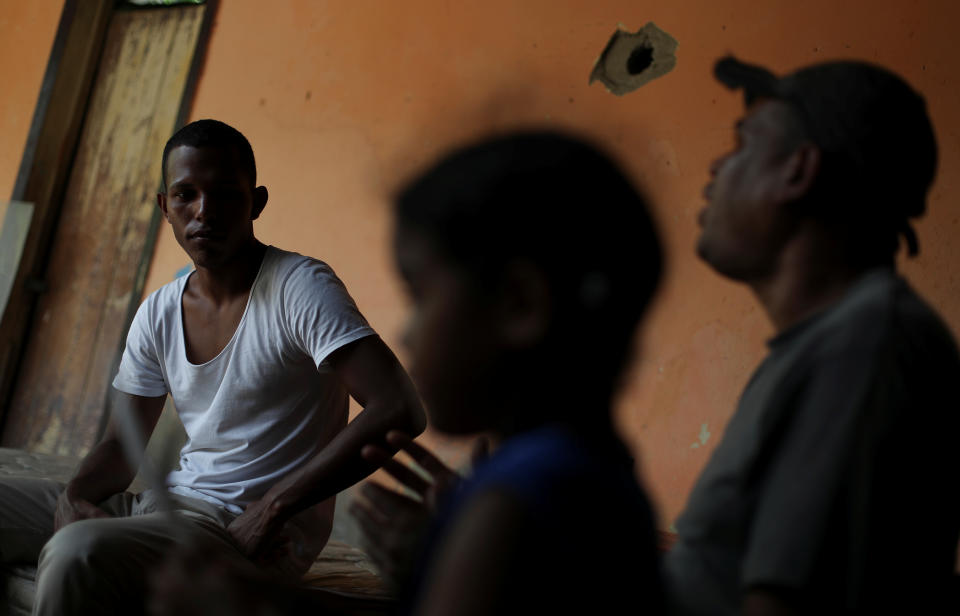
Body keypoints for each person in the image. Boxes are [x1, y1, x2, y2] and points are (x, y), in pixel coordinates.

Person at [0, 119, 426, 615]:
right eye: (186, 194)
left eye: (225, 194)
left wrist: (273, 508)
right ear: (165, 206)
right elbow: (121, 444)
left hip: (244, 531)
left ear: (257, 202)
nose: (205, 212)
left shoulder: (298, 287)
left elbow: (398, 407)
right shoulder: (159, 310)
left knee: (77, 554)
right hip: (162, 512)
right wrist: (73, 496)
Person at [663, 57, 960, 614]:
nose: (716, 168)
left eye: (741, 144)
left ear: (798, 171)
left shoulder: (864, 344)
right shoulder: (825, 345)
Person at [352, 131, 666, 615]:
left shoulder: (512, 503)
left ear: (520, 304)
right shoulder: (595, 471)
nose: (407, 333)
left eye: (419, 296)